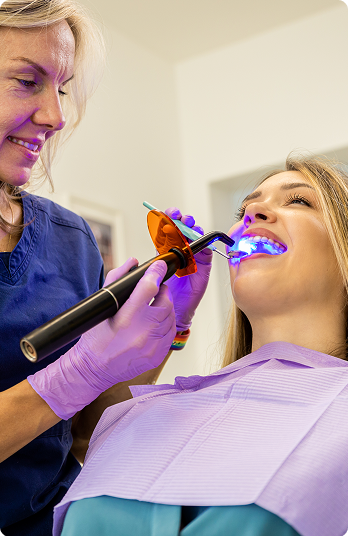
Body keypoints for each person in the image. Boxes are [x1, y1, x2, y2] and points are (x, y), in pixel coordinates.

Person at [0, 1, 212, 535]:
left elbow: (89, 428)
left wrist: (165, 329)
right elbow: (74, 384)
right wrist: (75, 374)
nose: (55, 115)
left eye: (63, 88)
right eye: (27, 81)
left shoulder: (70, 240)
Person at [54, 154, 348, 537]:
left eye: (298, 201)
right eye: (245, 206)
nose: (253, 210)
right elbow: (75, 443)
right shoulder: (140, 413)